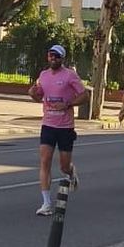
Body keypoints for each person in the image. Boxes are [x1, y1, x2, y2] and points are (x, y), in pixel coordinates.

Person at [29, 44, 86, 215]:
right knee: (45, 161)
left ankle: (71, 171)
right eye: (51, 55)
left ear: (62, 58)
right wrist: (33, 93)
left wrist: (68, 104)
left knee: (64, 166)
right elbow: (40, 96)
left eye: (56, 56)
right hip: (48, 124)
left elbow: (84, 96)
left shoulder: (70, 75)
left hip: (65, 127)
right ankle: (46, 203)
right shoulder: (43, 75)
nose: (53, 58)